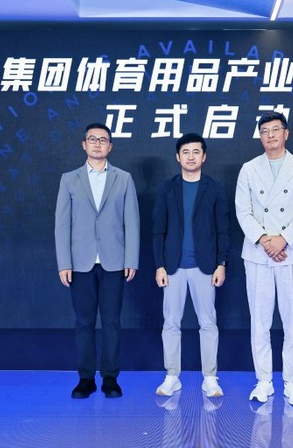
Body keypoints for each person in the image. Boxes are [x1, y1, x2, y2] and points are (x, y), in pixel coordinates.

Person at [235, 111, 293, 405]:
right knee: (259, 321)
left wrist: (284, 239)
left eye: (275, 129)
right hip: (258, 253)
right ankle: (263, 381)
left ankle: (292, 382)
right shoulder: (248, 168)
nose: (270, 135)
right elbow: (243, 210)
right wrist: (264, 240)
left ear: (286, 133)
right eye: (264, 131)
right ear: (259, 136)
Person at [55, 122, 140, 399]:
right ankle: (86, 378)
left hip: (114, 261)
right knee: (84, 322)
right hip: (80, 263)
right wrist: (64, 262)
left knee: (112, 321)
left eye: (103, 140)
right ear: (84, 145)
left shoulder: (123, 178)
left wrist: (131, 258)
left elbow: (132, 222)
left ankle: (111, 378)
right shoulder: (69, 179)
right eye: (92, 139)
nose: (97, 144)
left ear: (110, 146)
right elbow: (62, 225)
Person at [152, 133, 230, 398]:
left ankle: (210, 377)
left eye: (196, 152)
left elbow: (223, 229)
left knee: (208, 323)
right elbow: (158, 229)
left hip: (205, 266)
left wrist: (221, 263)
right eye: (185, 152)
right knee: (171, 323)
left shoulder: (214, 187)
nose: (191, 157)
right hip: (172, 267)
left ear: (204, 156)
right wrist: (159, 265)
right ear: (178, 157)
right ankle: (172, 376)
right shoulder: (167, 188)